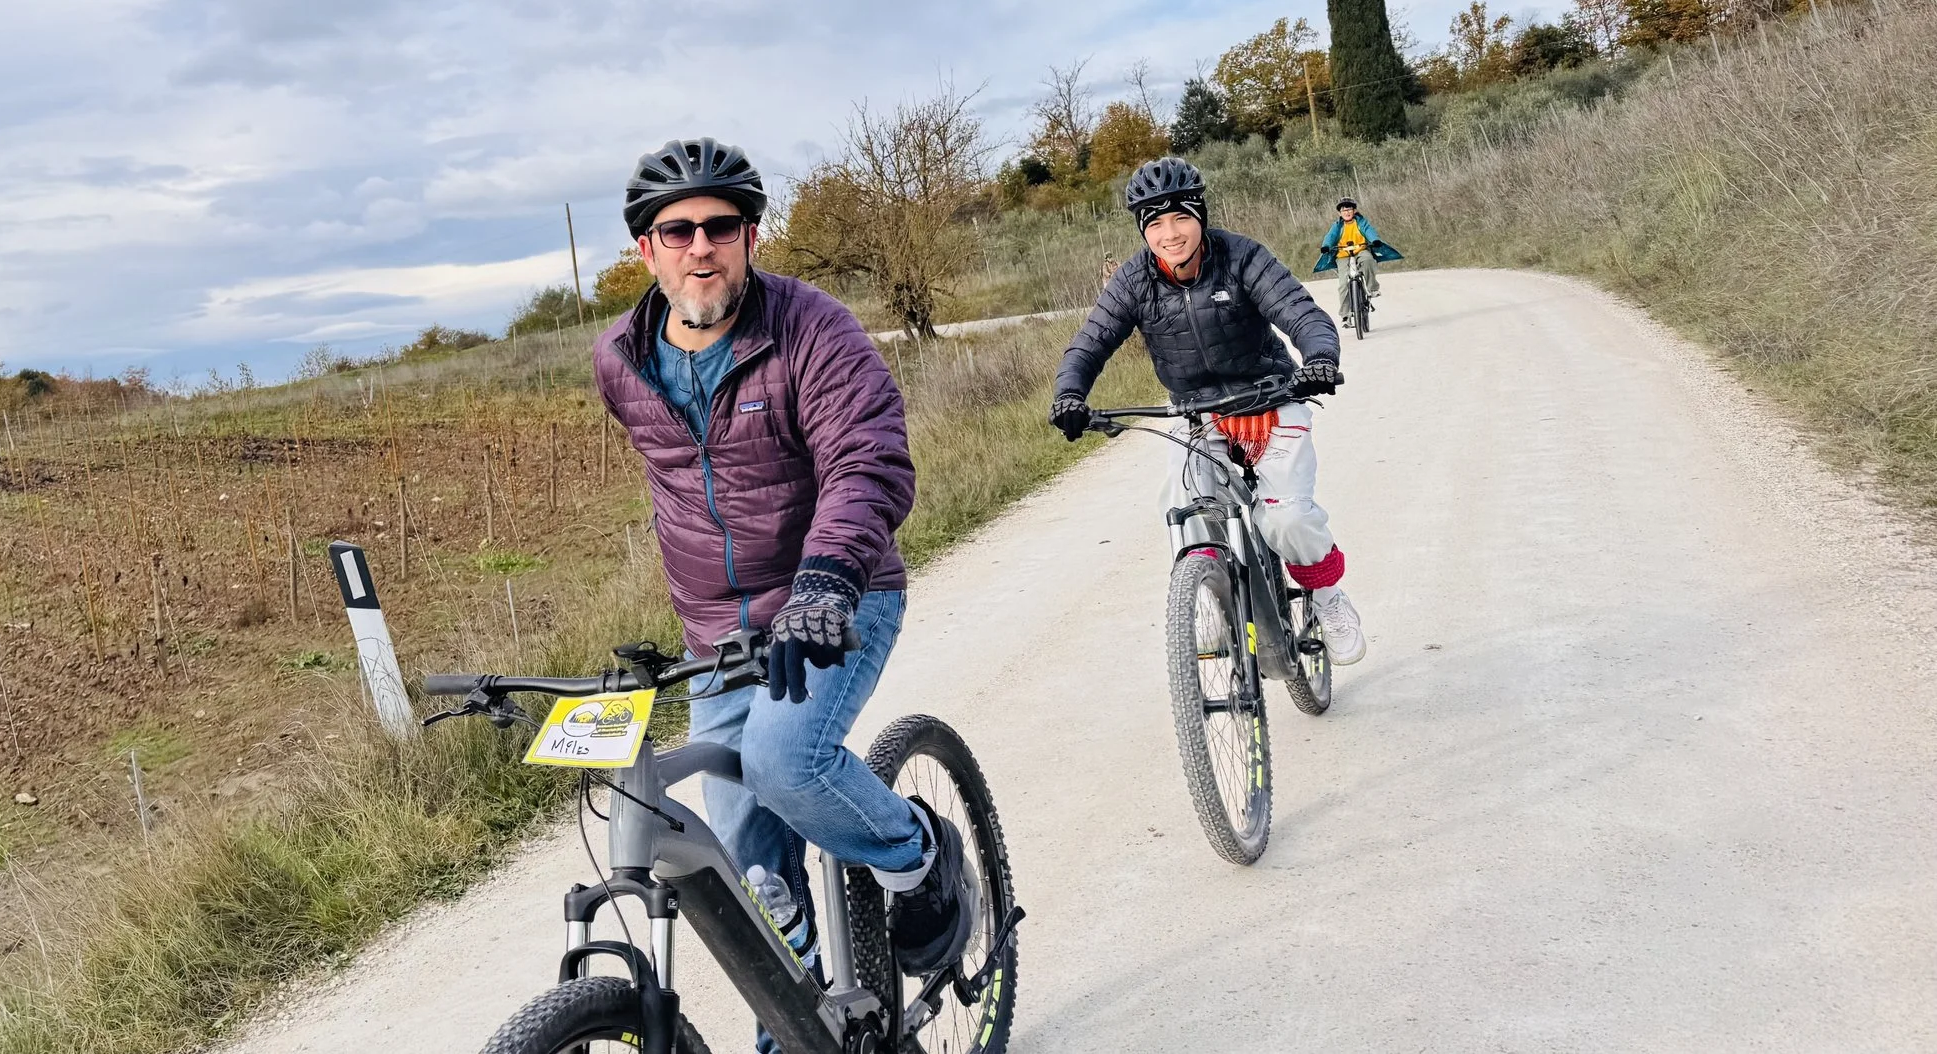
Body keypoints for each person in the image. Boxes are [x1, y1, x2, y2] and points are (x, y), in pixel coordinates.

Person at [592, 137, 977, 1014]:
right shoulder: (619, 360)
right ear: (644, 249)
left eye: (721, 226)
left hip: (841, 595)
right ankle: (801, 1016)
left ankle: (918, 854)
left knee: (783, 761)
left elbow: (868, 458)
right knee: (743, 866)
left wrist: (827, 581)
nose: (701, 247)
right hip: (717, 633)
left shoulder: (812, 329)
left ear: (751, 236)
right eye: (677, 229)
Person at [1046, 157, 1368, 664]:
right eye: (1155, 224)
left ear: (1199, 215)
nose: (1169, 234)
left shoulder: (1242, 257)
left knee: (1285, 520)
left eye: (1180, 218)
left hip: (1272, 398)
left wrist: (1321, 360)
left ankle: (1327, 597)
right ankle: (1214, 600)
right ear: (1143, 230)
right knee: (1182, 504)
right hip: (1197, 413)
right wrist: (1069, 395)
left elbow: (1302, 314)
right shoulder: (1134, 281)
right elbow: (1088, 345)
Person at [1313, 197, 1402, 320]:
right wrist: (1326, 246)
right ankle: (1345, 315)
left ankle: (1372, 288)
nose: (1347, 212)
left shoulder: (1361, 222)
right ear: (1340, 213)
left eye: (1349, 209)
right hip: (1343, 254)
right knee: (1343, 284)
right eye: (1344, 210)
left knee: (1368, 260)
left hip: (1361, 250)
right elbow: (1330, 236)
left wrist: (1374, 240)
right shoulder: (1337, 226)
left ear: (1354, 211)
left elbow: (1369, 231)